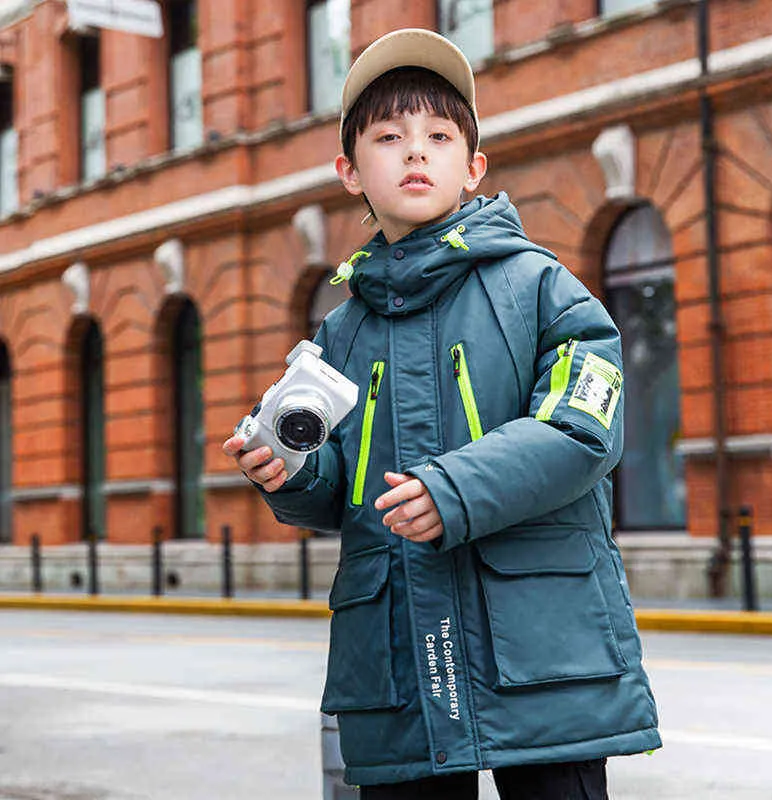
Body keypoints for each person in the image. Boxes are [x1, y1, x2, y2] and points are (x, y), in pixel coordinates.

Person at [223, 27, 660, 800]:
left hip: (543, 658)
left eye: (439, 135)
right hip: (396, 668)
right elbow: (341, 490)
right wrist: (287, 471)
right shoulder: (339, 333)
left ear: (473, 166)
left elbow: (583, 428)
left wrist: (452, 491)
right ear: (350, 171)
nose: (415, 152)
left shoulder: (544, 290)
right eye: (389, 137)